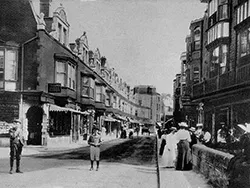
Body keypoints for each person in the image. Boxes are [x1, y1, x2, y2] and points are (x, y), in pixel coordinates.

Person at [227, 123, 250, 188]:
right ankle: (231, 176)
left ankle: (234, 178)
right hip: (245, 155)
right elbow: (240, 146)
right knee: (233, 160)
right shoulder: (245, 138)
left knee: (238, 163)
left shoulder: (247, 139)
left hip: (247, 157)